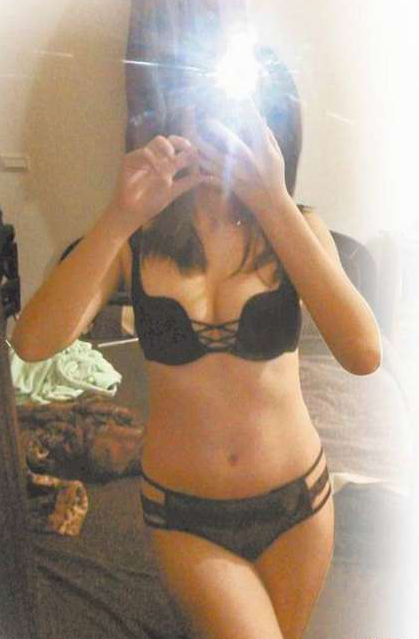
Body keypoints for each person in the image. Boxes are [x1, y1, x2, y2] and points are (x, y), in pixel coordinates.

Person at [11, 47, 382, 639]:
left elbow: (363, 354)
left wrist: (272, 201)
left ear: (272, 131)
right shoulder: (138, 239)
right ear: (176, 119)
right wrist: (119, 214)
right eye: (203, 109)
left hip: (300, 505)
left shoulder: (295, 226)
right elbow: (31, 342)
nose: (217, 128)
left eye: (238, 113)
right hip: (185, 516)